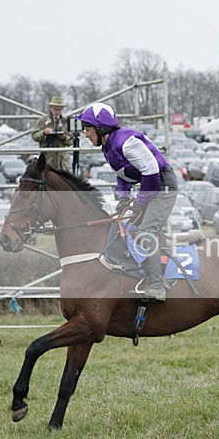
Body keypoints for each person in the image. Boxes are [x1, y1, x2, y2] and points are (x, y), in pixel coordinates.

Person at [77, 102, 177, 301]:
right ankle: (138, 275)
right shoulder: (107, 147)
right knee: (125, 228)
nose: (86, 134)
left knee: (145, 233)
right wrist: (124, 198)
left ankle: (156, 285)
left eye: (87, 129)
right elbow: (122, 174)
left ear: (100, 128)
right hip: (152, 186)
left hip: (163, 186)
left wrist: (139, 201)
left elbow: (152, 174)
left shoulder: (126, 142)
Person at [32, 96, 72, 172]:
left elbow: (71, 141)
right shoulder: (42, 120)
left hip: (61, 162)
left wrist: (63, 137)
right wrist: (44, 132)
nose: (57, 111)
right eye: (55, 109)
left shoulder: (65, 121)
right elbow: (34, 136)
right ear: (51, 107)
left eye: (59, 109)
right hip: (46, 159)